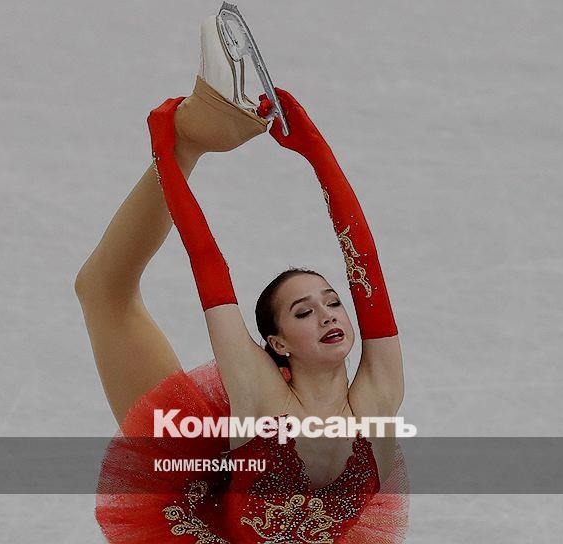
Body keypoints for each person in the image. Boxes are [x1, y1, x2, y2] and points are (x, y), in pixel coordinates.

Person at [75, 19, 408, 544]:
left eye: (332, 303)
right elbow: (206, 259)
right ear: (276, 343)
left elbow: (363, 262)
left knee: (103, 291)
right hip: (197, 508)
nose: (328, 315)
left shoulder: (377, 399)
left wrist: (315, 151)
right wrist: (170, 154)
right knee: (104, 292)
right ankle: (197, 132)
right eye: (303, 312)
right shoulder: (260, 396)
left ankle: (199, 127)